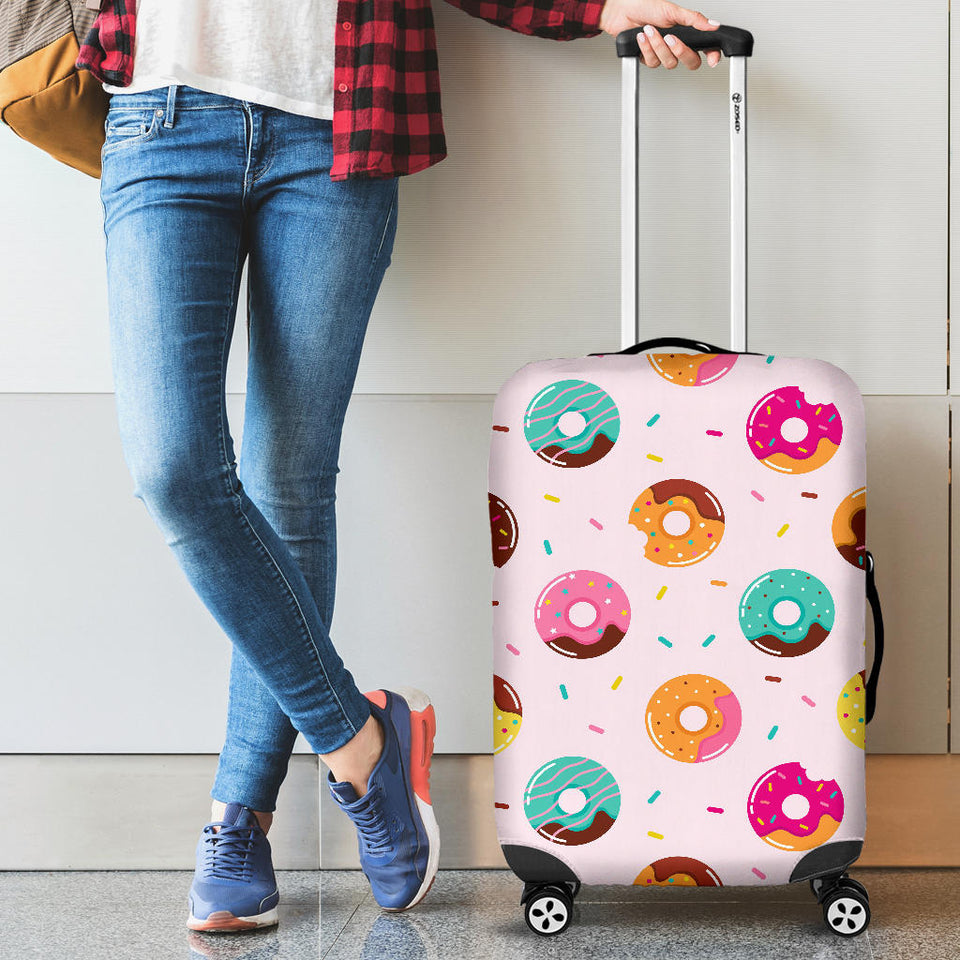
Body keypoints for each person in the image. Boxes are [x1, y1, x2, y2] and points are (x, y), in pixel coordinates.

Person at [80, 0, 722, 934]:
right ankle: (360, 742)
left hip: (336, 126)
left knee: (290, 480)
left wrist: (598, 8)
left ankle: (240, 819)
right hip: (160, 117)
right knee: (174, 470)